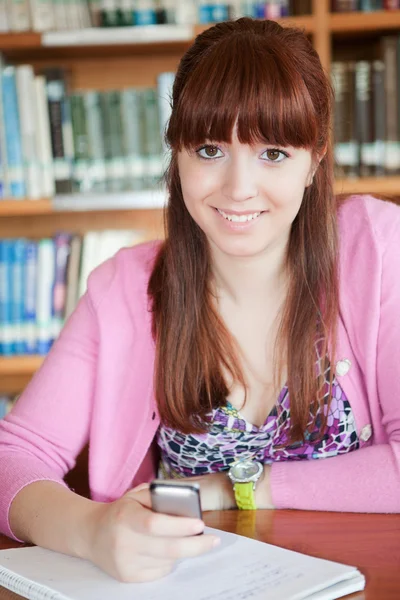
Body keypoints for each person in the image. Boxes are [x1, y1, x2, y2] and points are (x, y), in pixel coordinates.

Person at [0, 17, 399, 584]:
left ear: (315, 160)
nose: (238, 188)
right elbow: (13, 454)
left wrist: (240, 486)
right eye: (210, 149)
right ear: (176, 156)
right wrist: (91, 530)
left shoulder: (378, 249)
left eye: (274, 153)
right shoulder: (124, 288)